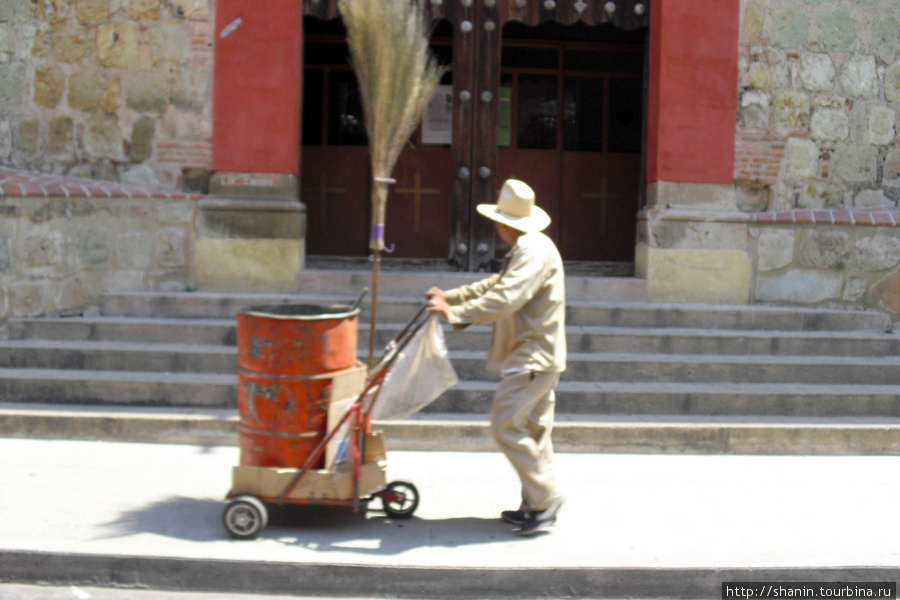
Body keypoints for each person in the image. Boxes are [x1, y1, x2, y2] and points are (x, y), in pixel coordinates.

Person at [425, 179, 566, 536]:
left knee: (506, 425)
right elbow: (495, 285)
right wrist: (452, 298)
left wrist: (454, 313)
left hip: (532, 355)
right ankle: (536, 504)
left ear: (506, 223)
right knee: (532, 431)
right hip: (534, 354)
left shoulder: (533, 249)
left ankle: (546, 498)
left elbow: (505, 298)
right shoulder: (528, 247)